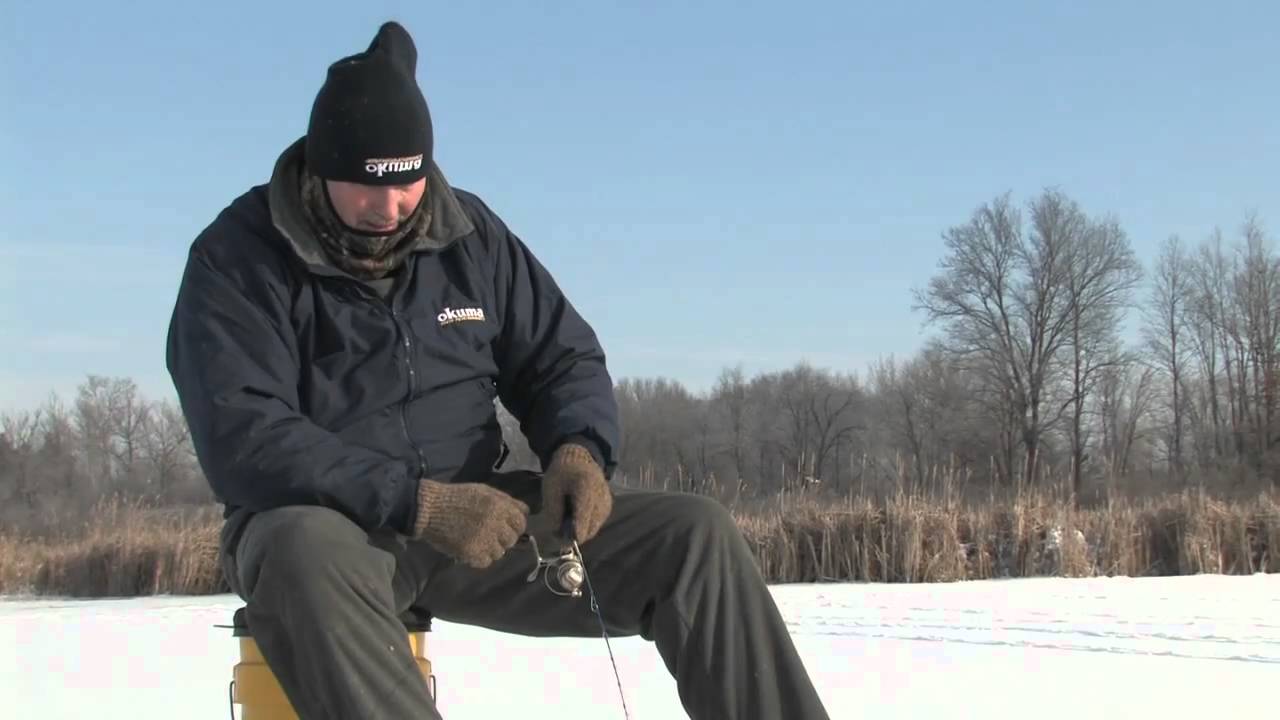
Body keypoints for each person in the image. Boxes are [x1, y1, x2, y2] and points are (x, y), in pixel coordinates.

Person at [165, 19, 830, 720]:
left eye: (408, 183)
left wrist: (579, 450)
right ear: (320, 167)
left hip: (483, 523)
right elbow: (247, 437)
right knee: (299, 548)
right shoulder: (237, 259)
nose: (390, 208)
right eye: (366, 186)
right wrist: (416, 504)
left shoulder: (471, 236)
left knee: (695, 536)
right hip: (336, 534)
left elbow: (560, 355)